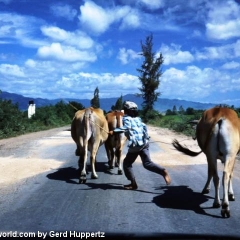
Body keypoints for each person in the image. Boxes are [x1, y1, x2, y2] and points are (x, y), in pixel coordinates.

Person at [111, 101, 171, 190]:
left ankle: (133, 184)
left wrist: (114, 131)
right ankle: (163, 171)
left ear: (126, 110)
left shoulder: (126, 118)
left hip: (135, 146)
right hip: (145, 143)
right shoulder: (138, 119)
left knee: (127, 163)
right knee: (147, 163)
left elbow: (126, 128)